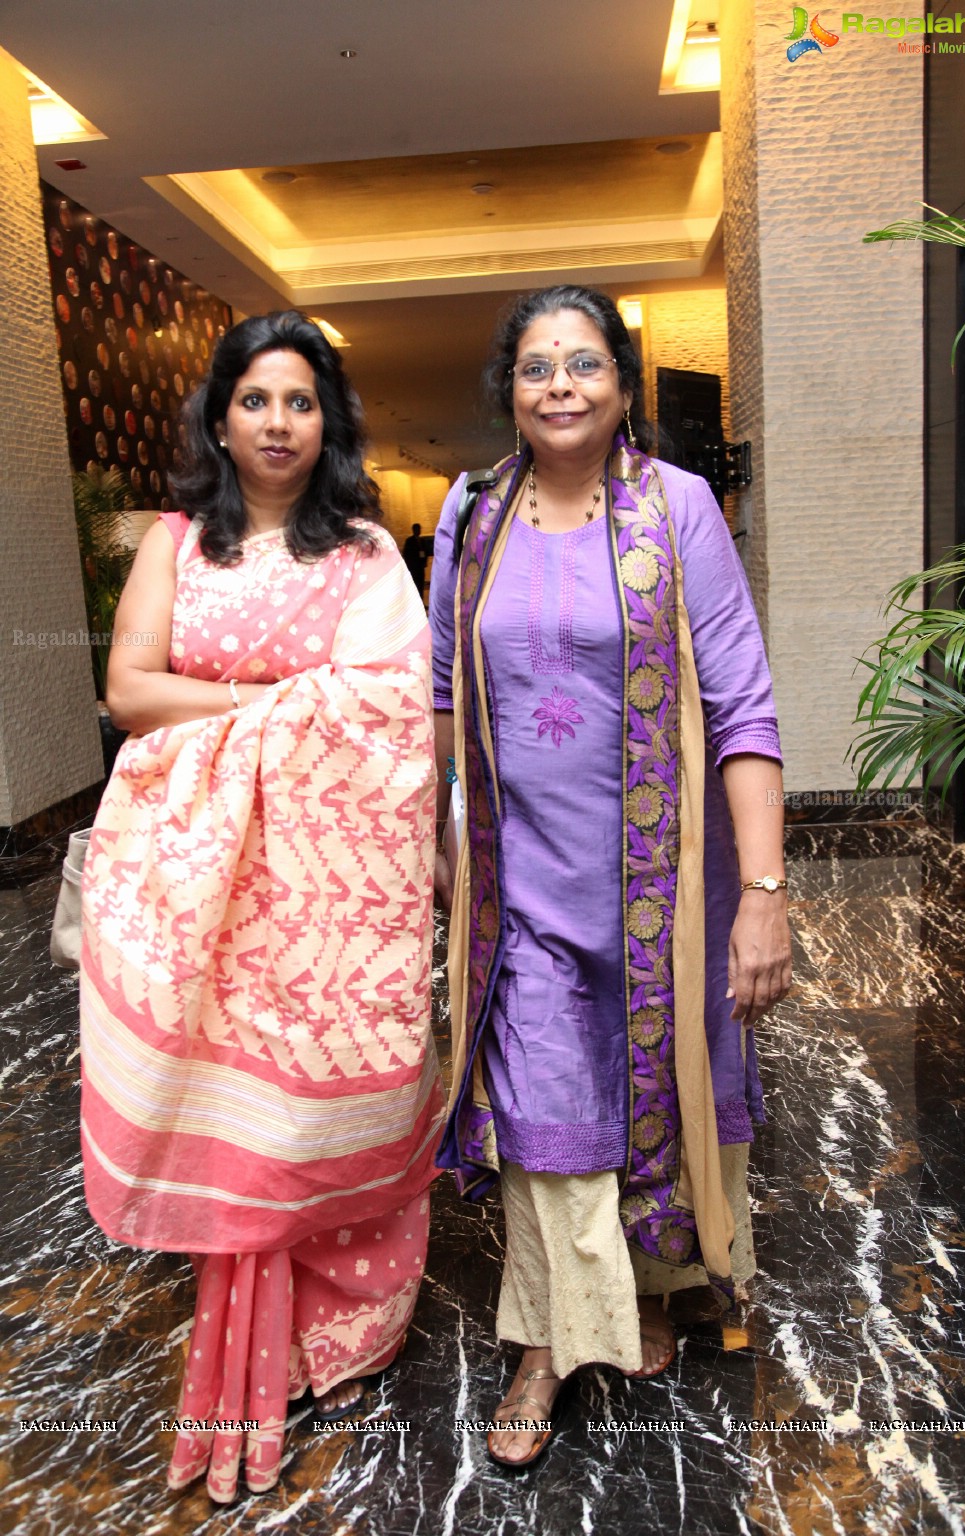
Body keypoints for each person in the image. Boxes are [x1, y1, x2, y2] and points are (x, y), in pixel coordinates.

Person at [80, 311, 444, 1501]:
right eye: (256, 401)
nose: (278, 423)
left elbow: (391, 711)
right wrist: (295, 699)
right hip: (203, 875)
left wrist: (243, 708)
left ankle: (346, 1331)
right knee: (230, 1096)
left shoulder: (365, 556)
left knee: (330, 1094)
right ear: (221, 418)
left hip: (329, 883)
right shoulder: (175, 543)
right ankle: (251, 1308)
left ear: (327, 420)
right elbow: (127, 690)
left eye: (300, 402)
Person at [429, 284, 791, 1467]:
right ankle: (544, 1345)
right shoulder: (470, 514)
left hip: (662, 887)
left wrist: (767, 895)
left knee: (649, 1084)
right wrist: (438, 847)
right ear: (511, 391)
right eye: (536, 368)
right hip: (516, 884)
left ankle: (642, 1287)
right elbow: (441, 696)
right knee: (543, 1113)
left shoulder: (675, 507)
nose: (561, 386)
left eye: (584, 364)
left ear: (623, 386)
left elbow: (742, 708)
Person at [402, 521, 428, 598]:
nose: (418, 531)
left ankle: (421, 600)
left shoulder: (422, 540)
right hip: (413, 567)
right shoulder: (409, 541)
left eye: (419, 529)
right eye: (417, 529)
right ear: (413, 530)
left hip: (420, 567)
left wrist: (424, 562)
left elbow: (425, 552)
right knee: (415, 584)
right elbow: (406, 554)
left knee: (421, 584)